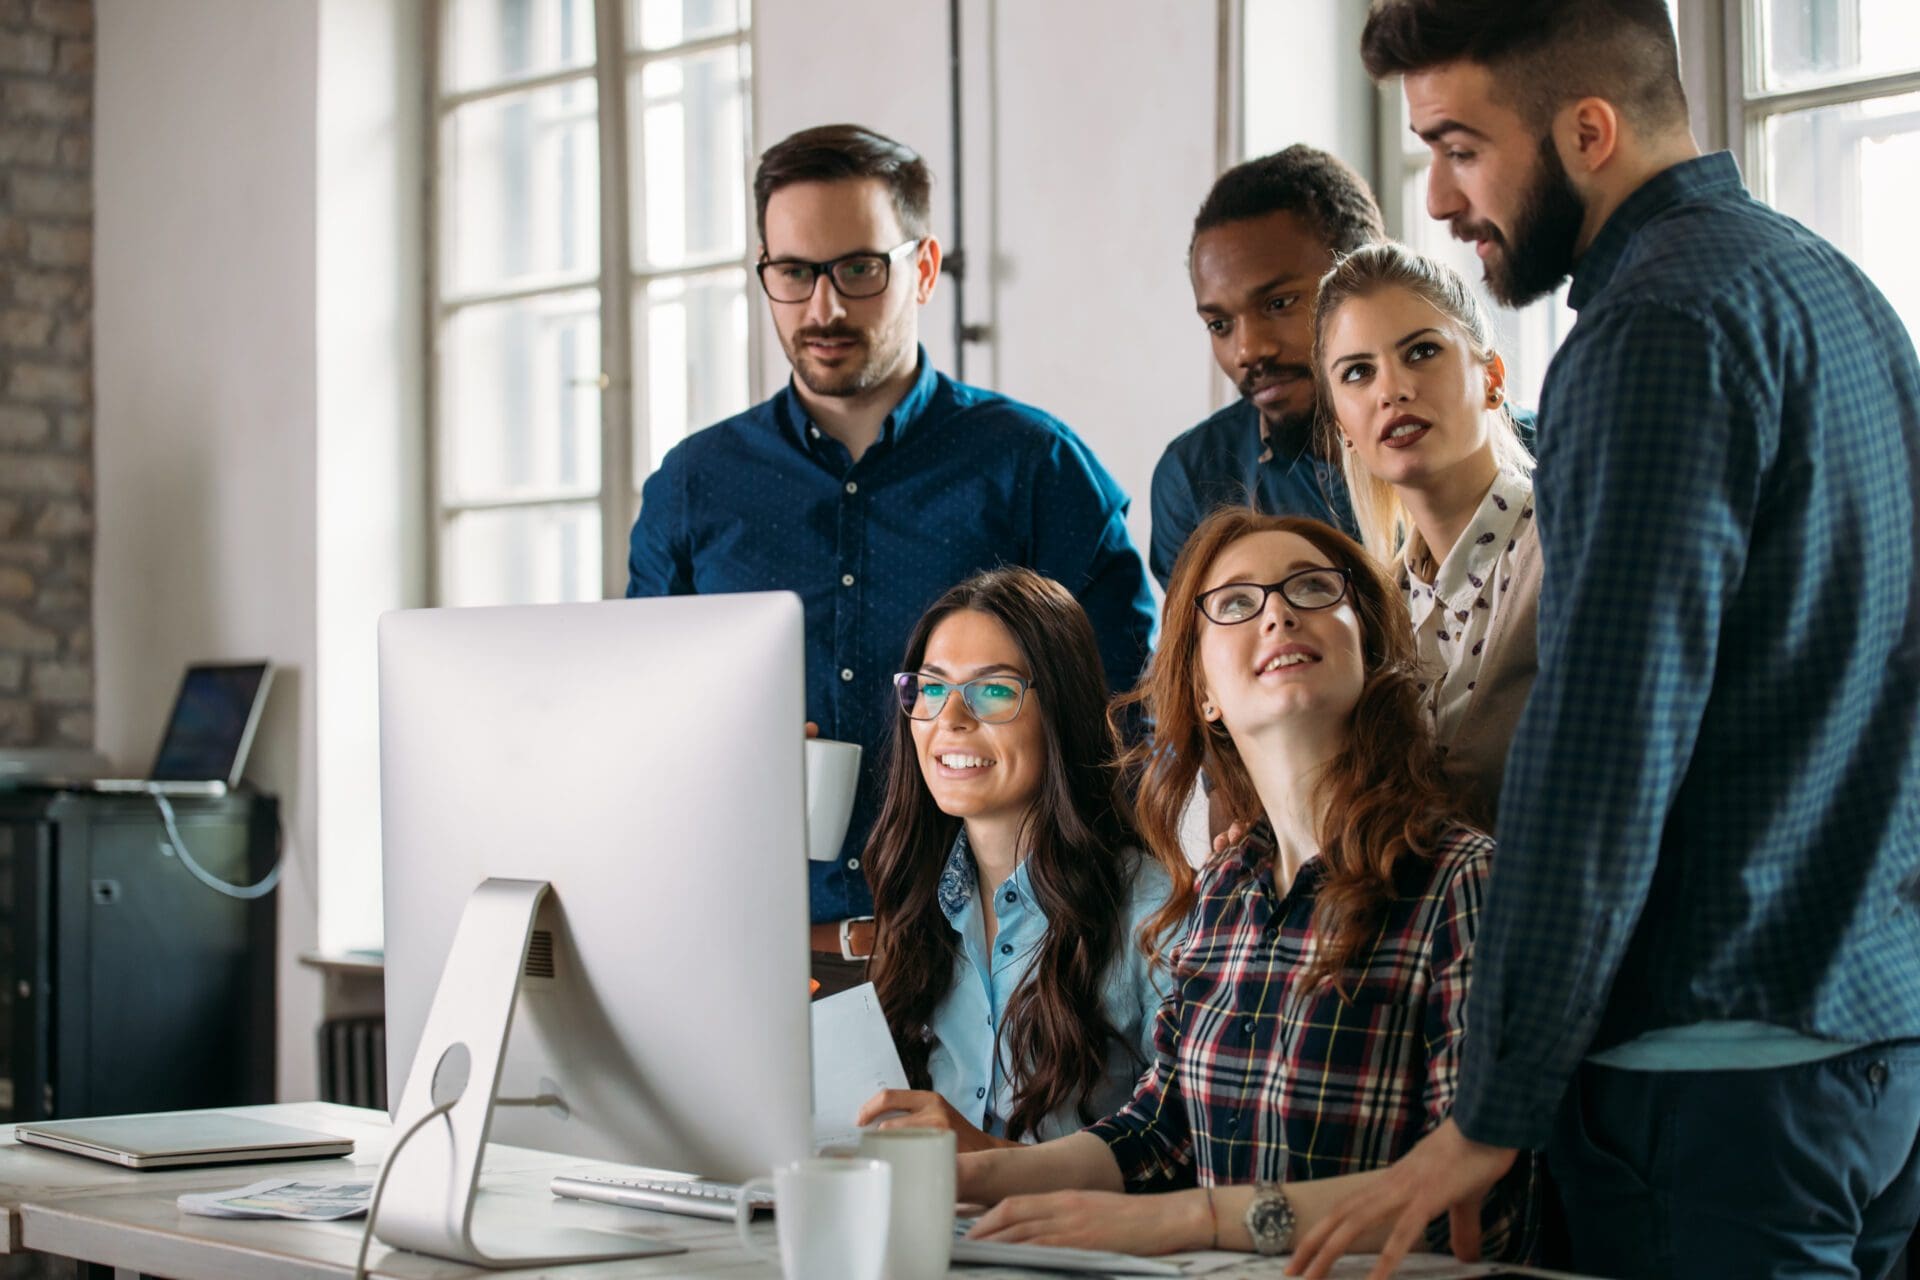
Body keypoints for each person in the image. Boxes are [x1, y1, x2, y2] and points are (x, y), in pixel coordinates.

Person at [1290, 3, 1920, 1278]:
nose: (1441, 194)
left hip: (1711, 1079)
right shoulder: (1831, 287)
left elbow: (1603, 747)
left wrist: (1491, 1107)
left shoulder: (1647, 331)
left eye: (1460, 147)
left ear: (1588, 130)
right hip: (1877, 1042)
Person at [627, 125, 1156, 996]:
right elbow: (640, 720)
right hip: (761, 960)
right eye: (793, 273)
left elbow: (1125, 723)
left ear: (922, 266)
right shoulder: (694, 485)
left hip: (997, 963)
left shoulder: (1036, 467)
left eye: (858, 269)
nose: (823, 309)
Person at [955, 509, 1536, 1262]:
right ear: (1202, 693)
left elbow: (1458, 1203)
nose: (1280, 613)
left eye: (1312, 589)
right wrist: (975, 1176)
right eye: (1235, 603)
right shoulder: (1226, 888)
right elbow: (1158, 1131)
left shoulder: (1462, 880)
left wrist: (1189, 1220)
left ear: (1366, 647)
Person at [851, 567, 1173, 1151]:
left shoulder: (1153, 909)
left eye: (994, 690)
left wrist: (983, 1160)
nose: (950, 719)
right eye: (930, 687)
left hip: (1077, 1242)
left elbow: (1186, 1148)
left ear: (1061, 711)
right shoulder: (915, 896)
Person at [1313, 242, 1537, 830]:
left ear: (1492, 379)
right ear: (1344, 426)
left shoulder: (1573, 544)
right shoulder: (1366, 614)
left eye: (1421, 352)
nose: (1392, 389)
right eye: (1358, 372)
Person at [1148, 147, 1382, 589]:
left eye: (1278, 304)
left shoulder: (1521, 455)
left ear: (1368, 273)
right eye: (1219, 324)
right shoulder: (1196, 480)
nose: (1248, 350)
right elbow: (1204, 654)